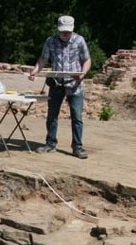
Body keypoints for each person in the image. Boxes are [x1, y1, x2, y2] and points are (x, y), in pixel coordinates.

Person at [28, 15, 92, 159]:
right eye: (63, 31)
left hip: (75, 85)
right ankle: (50, 143)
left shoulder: (79, 41)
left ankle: (77, 147)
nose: (65, 34)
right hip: (56, 84)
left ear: (72, 30)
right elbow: (43, 59)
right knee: (52, 115)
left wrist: (82, 74)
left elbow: (87, 60)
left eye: (68, 32)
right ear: (58, 29)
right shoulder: (50, 41)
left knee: (76, 116)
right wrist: (35, 71)